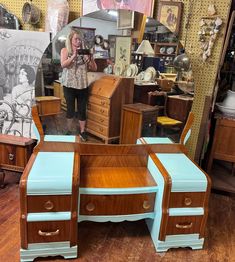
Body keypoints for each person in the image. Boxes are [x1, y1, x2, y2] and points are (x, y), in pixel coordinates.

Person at [60, 29, 97, 141]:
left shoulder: (86, 52)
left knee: (82, 109)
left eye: (80, 39)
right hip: (69, 85)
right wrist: (73, 56)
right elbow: (63, 65)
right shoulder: (65, 50)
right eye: (76, 39)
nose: (78, 41)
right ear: (71, 40)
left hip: (82, 86)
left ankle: (82, 131)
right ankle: (69, 129)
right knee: (70, 109)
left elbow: (94, 68)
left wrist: (89, 59)